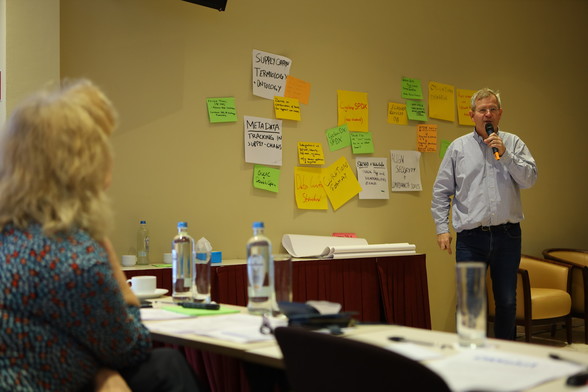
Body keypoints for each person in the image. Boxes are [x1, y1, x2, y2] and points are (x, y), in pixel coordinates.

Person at [0, 79, 205, 391]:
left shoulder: (10, 240)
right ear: (88, 168)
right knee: (168, 367)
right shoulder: (76, 260)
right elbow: (131, 347)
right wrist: (117, 276)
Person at [431, 87, 537, 340]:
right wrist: (442, 228)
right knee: (471, 305)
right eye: (482, 110)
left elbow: (529, 180)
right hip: (471, 238)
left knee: (507, 302)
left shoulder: (513, 143)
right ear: (472, 115)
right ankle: (471, 359)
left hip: (507, 236)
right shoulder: (458, 148)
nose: (487, 114)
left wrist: (507, 156)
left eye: (492, 109)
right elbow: (441, 191)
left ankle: (505, 357)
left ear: (499, 114)